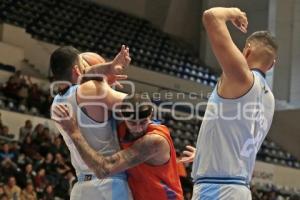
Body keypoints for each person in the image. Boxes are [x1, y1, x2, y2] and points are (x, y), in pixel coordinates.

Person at [191, 7, 278, 200]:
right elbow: (237, 133)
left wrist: (233, 12)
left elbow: (211, 16)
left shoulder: (242, 78)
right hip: (238, 188)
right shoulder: (269, 99)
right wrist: (207, 154)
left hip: (217, 190)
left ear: (246, 51)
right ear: (271, 65)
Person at [52, 94, 186, 200]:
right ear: (123, 116)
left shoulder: (154, 141)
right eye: (133, 123)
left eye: (143, 122)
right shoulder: (121, 128)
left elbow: (103, 169)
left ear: (150, 115)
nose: (139, 128)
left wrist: (74, 132)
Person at [50, 45, 132, 199]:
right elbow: (137, 107)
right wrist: (108, 85)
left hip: (81, 187)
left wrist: (108, 72)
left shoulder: (55, 104)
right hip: (109, 184)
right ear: (77, 70)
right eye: (85, 66)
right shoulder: (92, 88)